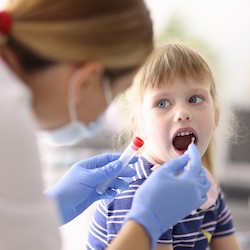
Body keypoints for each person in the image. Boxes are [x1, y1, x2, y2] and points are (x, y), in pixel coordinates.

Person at [0, 1, 210, 249]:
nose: (182, 113)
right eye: (118, 92)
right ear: (86, 81)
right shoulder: (9, 125)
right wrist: (147, 224)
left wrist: (52, 205)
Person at [87, 42, 241, 250]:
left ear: (216, 117)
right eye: (162, 103)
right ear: (139, 126)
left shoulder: (207, 187)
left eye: (194, 99)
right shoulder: (135, 192)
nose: (182, 113)